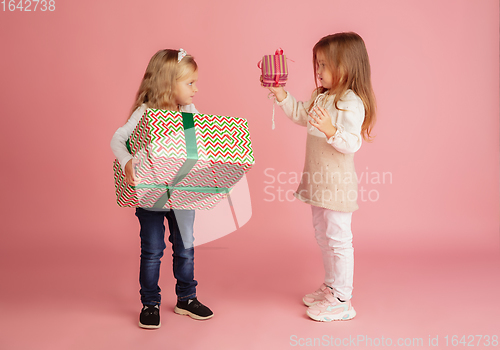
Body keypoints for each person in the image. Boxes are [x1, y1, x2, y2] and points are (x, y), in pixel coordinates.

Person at [266, 32, 376, 322]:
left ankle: (342, 298)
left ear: (347, 67)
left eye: (324, 65)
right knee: (323, 236)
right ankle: (331, 286)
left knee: (339, 239)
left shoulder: (350, 102)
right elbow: (302, 114)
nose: (318, 71)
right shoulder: (321, 96)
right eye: (318, 64)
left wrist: (330, 130)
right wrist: (281, 95)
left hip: (337, 186)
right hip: (318, 182)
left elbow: (352, 143)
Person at [110, 49, 213, 329]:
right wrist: (128, 161)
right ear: (168, 84)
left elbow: (201, 147)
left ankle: (186, 298)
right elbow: (117, 140)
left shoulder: (189, 112)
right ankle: (150, 302)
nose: (196, 89)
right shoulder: (146, 112)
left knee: (185, 248)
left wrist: (214, 177)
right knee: (153, 250)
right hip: (152, 195)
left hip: (183, 196)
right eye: (189, 83)